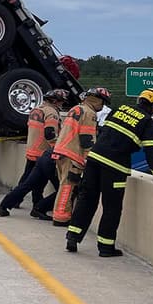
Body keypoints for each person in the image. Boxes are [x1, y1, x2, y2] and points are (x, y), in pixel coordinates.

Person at [65, 88, 153, 256]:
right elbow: (151, 152)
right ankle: (105, 247)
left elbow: (101, 132)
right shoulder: (147, 121)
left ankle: (73, 236)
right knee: (111, 207)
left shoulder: (119, 109)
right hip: (115, 167)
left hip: (94, 159)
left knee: (86, 199)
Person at [0, 88, 70, 217]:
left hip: (32, 151)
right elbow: (50, 134)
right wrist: (59, 149)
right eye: (61, 102)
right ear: (55, 101)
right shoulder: (51, 113)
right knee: (48, 185)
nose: (62, 105)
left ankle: (9, 205)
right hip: (43, 154)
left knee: (30, 183)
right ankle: (37, 207)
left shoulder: (36, 110)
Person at [50, 87, 109, 226]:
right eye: (103, 102)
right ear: (97, 100)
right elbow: (87, 139)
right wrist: (90, 158)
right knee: (68, 186)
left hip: (61, 151)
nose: (103, 106)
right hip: (72, 155)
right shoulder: (90, 113)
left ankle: (60, 214)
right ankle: (61, 217)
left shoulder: (77, 108)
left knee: (63, 185)